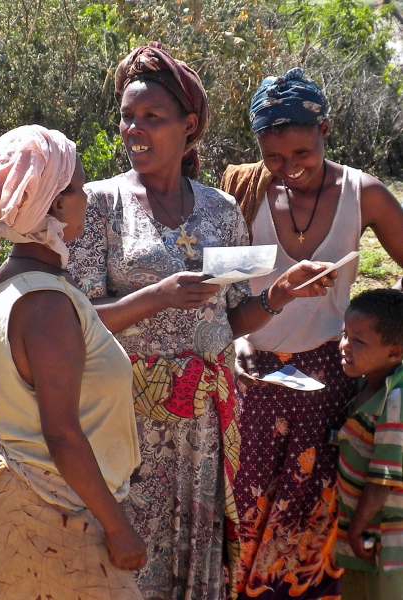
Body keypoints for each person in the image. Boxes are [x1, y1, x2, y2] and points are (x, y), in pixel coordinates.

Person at [67, 44, 338, 600]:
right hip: (128, 417)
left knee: (195, 556)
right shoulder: (99, 205)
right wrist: (158, 296)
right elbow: (74, 324)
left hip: (204, 424)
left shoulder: (221, 210)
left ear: (188, 126)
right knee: (126, 558)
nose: (134, 129)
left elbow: (228, 321)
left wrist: (279, 294)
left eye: (152, 117)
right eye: (127, 116)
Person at [220, 67, 403, 599]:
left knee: (313, 514)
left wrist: (383, 324)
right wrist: (240, 342)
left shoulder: (362, 194)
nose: (289, 168)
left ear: (326, 130)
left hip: (329, 383)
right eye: (273, 157)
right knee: (245, 507)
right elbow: (224, 288)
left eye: (302, 152)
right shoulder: (244, 191)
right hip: (253, 375)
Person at [0, 125, 146, 599]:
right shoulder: (46, 305)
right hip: (57, 518)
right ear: (57, 206)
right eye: (78, 188)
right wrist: (117, 527)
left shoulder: (11, 284)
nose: (87, 197)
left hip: (25, 503)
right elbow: (61, 434)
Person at [336, 288, 403, 600]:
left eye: (358, 341)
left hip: (386, 545)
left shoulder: (396, 400)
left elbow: (383, 480)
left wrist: (356, 528)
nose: (344, 345)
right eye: (344, 334)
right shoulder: (367, 383)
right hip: (364, 538)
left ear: (394, 352)